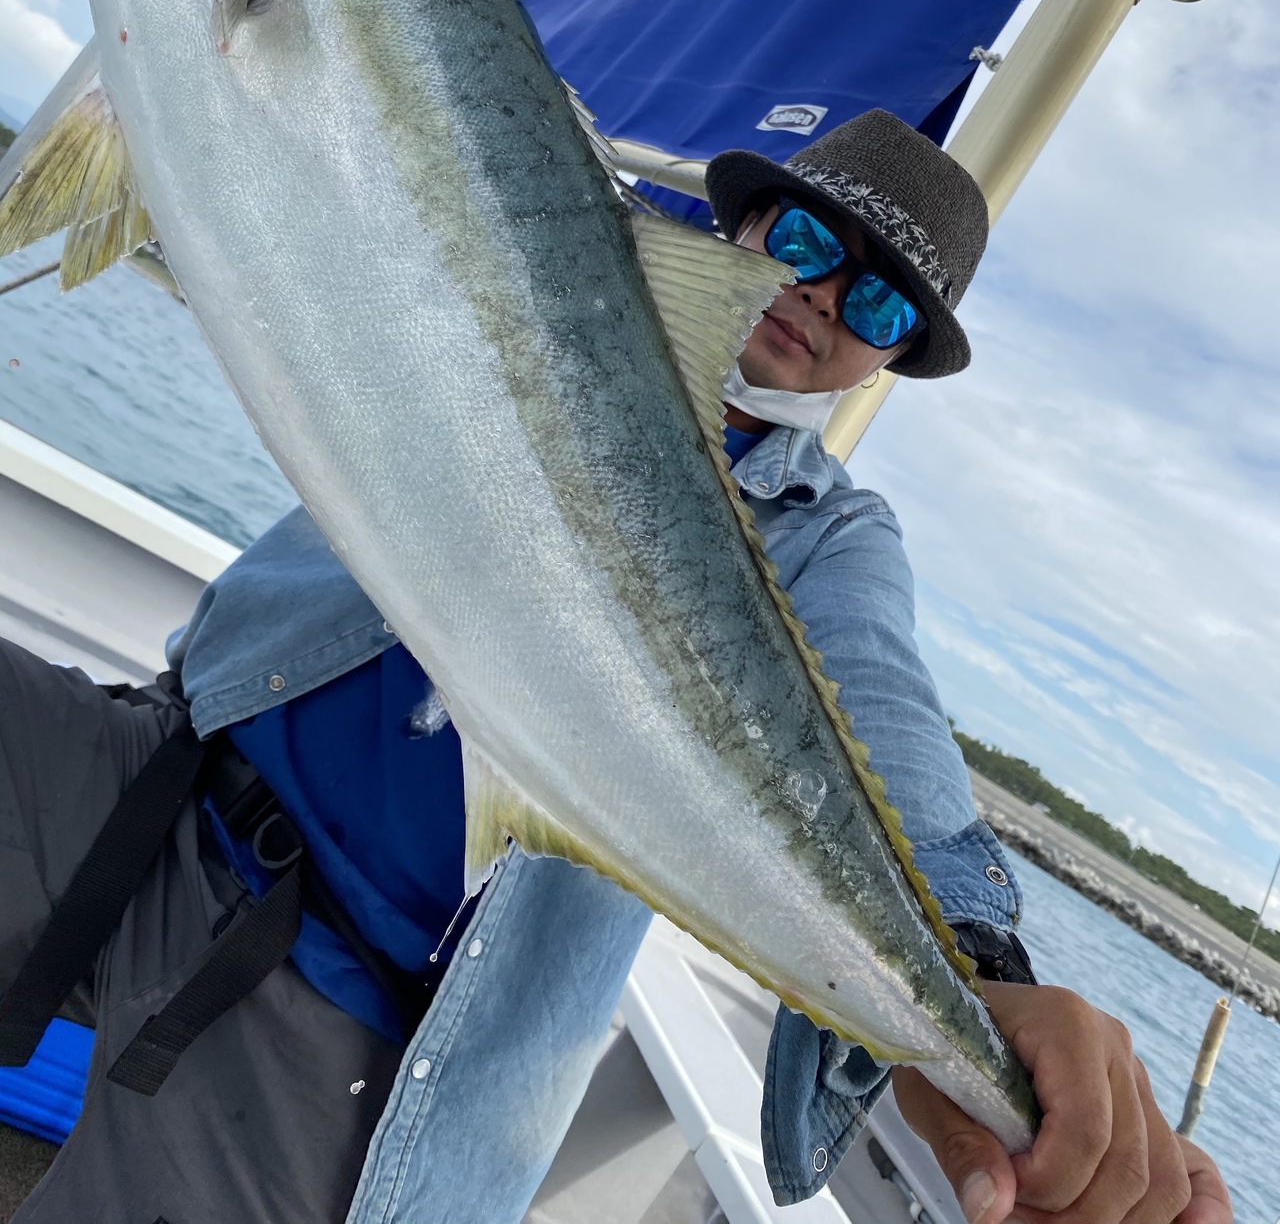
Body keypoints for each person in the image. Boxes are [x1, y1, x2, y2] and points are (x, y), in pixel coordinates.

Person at [0, 110, 1230, 1224]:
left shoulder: (826, 545)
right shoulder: (533, 297)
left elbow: (891, 744)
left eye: (882, 307)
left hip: (337, 1010)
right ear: (743, 218)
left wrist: (981, 972)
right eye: (807, 240)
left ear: (886, 363)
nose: (822, 298)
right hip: (161, 778)